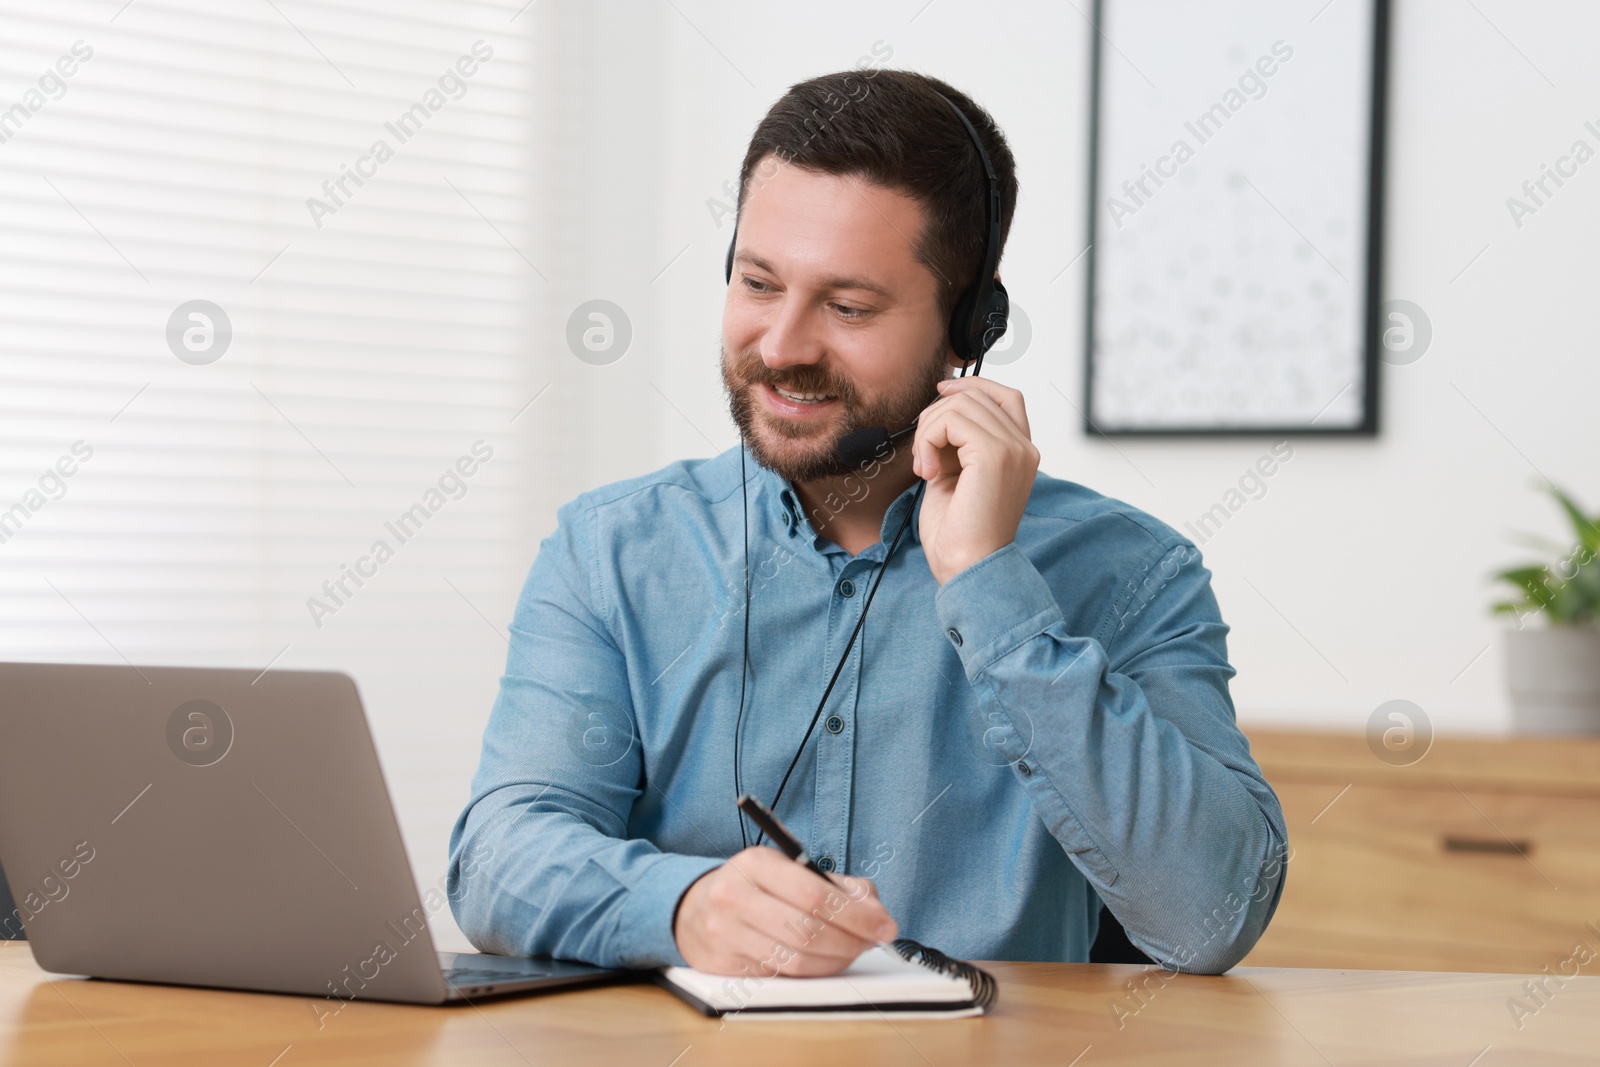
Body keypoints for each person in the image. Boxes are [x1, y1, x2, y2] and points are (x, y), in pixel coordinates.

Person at [448, 69, 1287, 980]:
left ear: (972, 323)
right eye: (759, 283)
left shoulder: (1133, 572)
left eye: (848, 308)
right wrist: (679, 906)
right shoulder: (611, 551)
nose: (782, 347)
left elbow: (1212, 915)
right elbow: (497, 857)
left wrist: (989, 584)